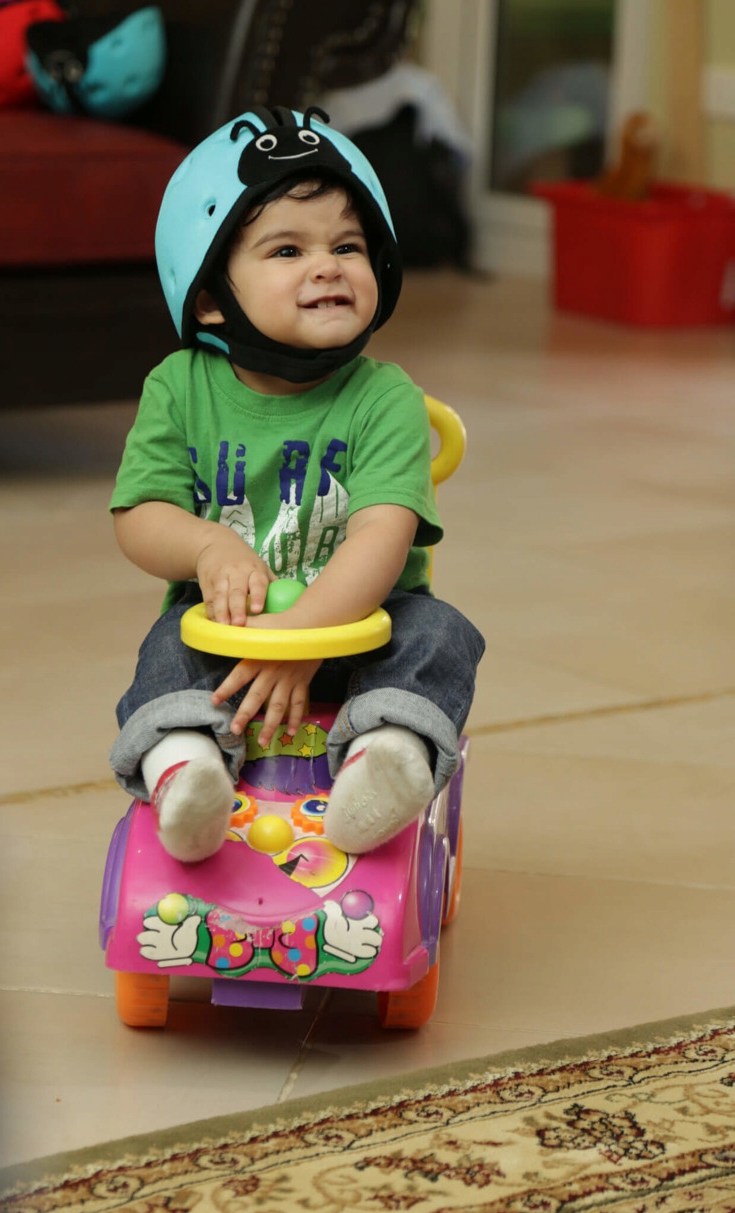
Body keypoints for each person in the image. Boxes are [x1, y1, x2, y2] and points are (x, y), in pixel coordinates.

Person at [110, 105, 484, 862]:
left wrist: (304, 635)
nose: (328, 266)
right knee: (169, 644)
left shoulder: (385, 398)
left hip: (364, 626)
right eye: (287, 249)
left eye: (347, 245)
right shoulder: (178, 387)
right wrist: (207, 546)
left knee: (440, 634)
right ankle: (185, 769)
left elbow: (382, 535)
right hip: (233, 636)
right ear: (209, 296)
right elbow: (140, 513)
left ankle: (386, 760)